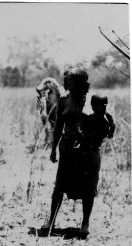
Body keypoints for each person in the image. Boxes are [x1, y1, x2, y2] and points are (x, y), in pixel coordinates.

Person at [44, 66, 90, 234]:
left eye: (72, 81)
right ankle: (51, 220)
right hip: (67, 147)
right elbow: (58, 126)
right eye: (68, 81)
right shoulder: (64, 99)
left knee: (87, 187)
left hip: (86, 150)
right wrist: (53, 149)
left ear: (81, 83)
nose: (68, 84)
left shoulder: (91, 100)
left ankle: (85, 223)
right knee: (59, 186)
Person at [79, 95, 115, 233]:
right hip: (87, 155)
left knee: (89, 189)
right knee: (87, 188)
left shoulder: (102, 120)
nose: (104, 108)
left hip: (92, 155)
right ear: (93, 106)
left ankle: (85, 222)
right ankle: (85, 223)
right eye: (101, 105)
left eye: (105, 105)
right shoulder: (103, 120)